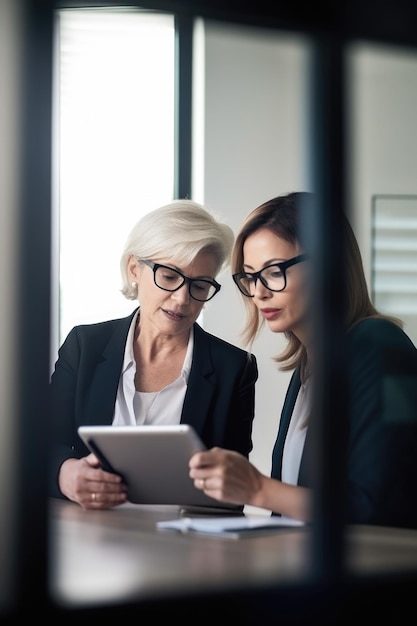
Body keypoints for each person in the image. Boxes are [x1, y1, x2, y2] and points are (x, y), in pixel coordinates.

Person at [189, 191, 417, 529]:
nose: (259, 292)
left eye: (274, 271)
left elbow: (377, 507)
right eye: (250, 277)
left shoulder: (378, 345)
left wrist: (256, 487)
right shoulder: (307, 366)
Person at [49, 199, 258, 509]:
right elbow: (37, 445)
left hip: (183, 545)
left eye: (199, 285)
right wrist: (65, 474)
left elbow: (233, 491)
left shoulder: (234, 368)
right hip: (88, 533)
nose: (182, 299)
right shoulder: (85, 346)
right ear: (135, 269)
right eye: (170, 276)